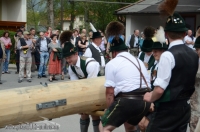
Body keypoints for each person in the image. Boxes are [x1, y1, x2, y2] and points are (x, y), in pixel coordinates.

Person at [143, 1, 199, 131]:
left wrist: (149, 97)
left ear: (166, 33)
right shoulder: (194, 54)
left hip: (167, 111)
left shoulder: (168, 56)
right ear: (185, 34)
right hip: (185, 108)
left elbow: (160, 89)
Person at [100, 36, 151, 132]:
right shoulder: (138, 61)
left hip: (128, 100)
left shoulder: (112, 63)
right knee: (130, 127)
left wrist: (109, 110)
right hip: (145, 101)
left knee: (104, 127)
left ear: (114, 52)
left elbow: (110, 92)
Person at [60, 30, 101, 132]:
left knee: (95, 115)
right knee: (83, 115)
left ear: (76, 53)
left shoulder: (90, 64)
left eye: (69, 57)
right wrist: (79, 104)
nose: (68, 60)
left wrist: (85, 104)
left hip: (98, 88)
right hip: (87, 89)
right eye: (66, 58)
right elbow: (76, 87)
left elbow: (92, 86)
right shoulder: (71, 67)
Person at [138, 26, 168, 132]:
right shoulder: (156, 64)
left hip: (158, 102)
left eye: (156, 51)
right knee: (140, 124)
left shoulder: (163, 65)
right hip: (148, 94)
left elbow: (160, 88)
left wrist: (151, 100)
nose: (154, 53)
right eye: (153, 51)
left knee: (145, 125)